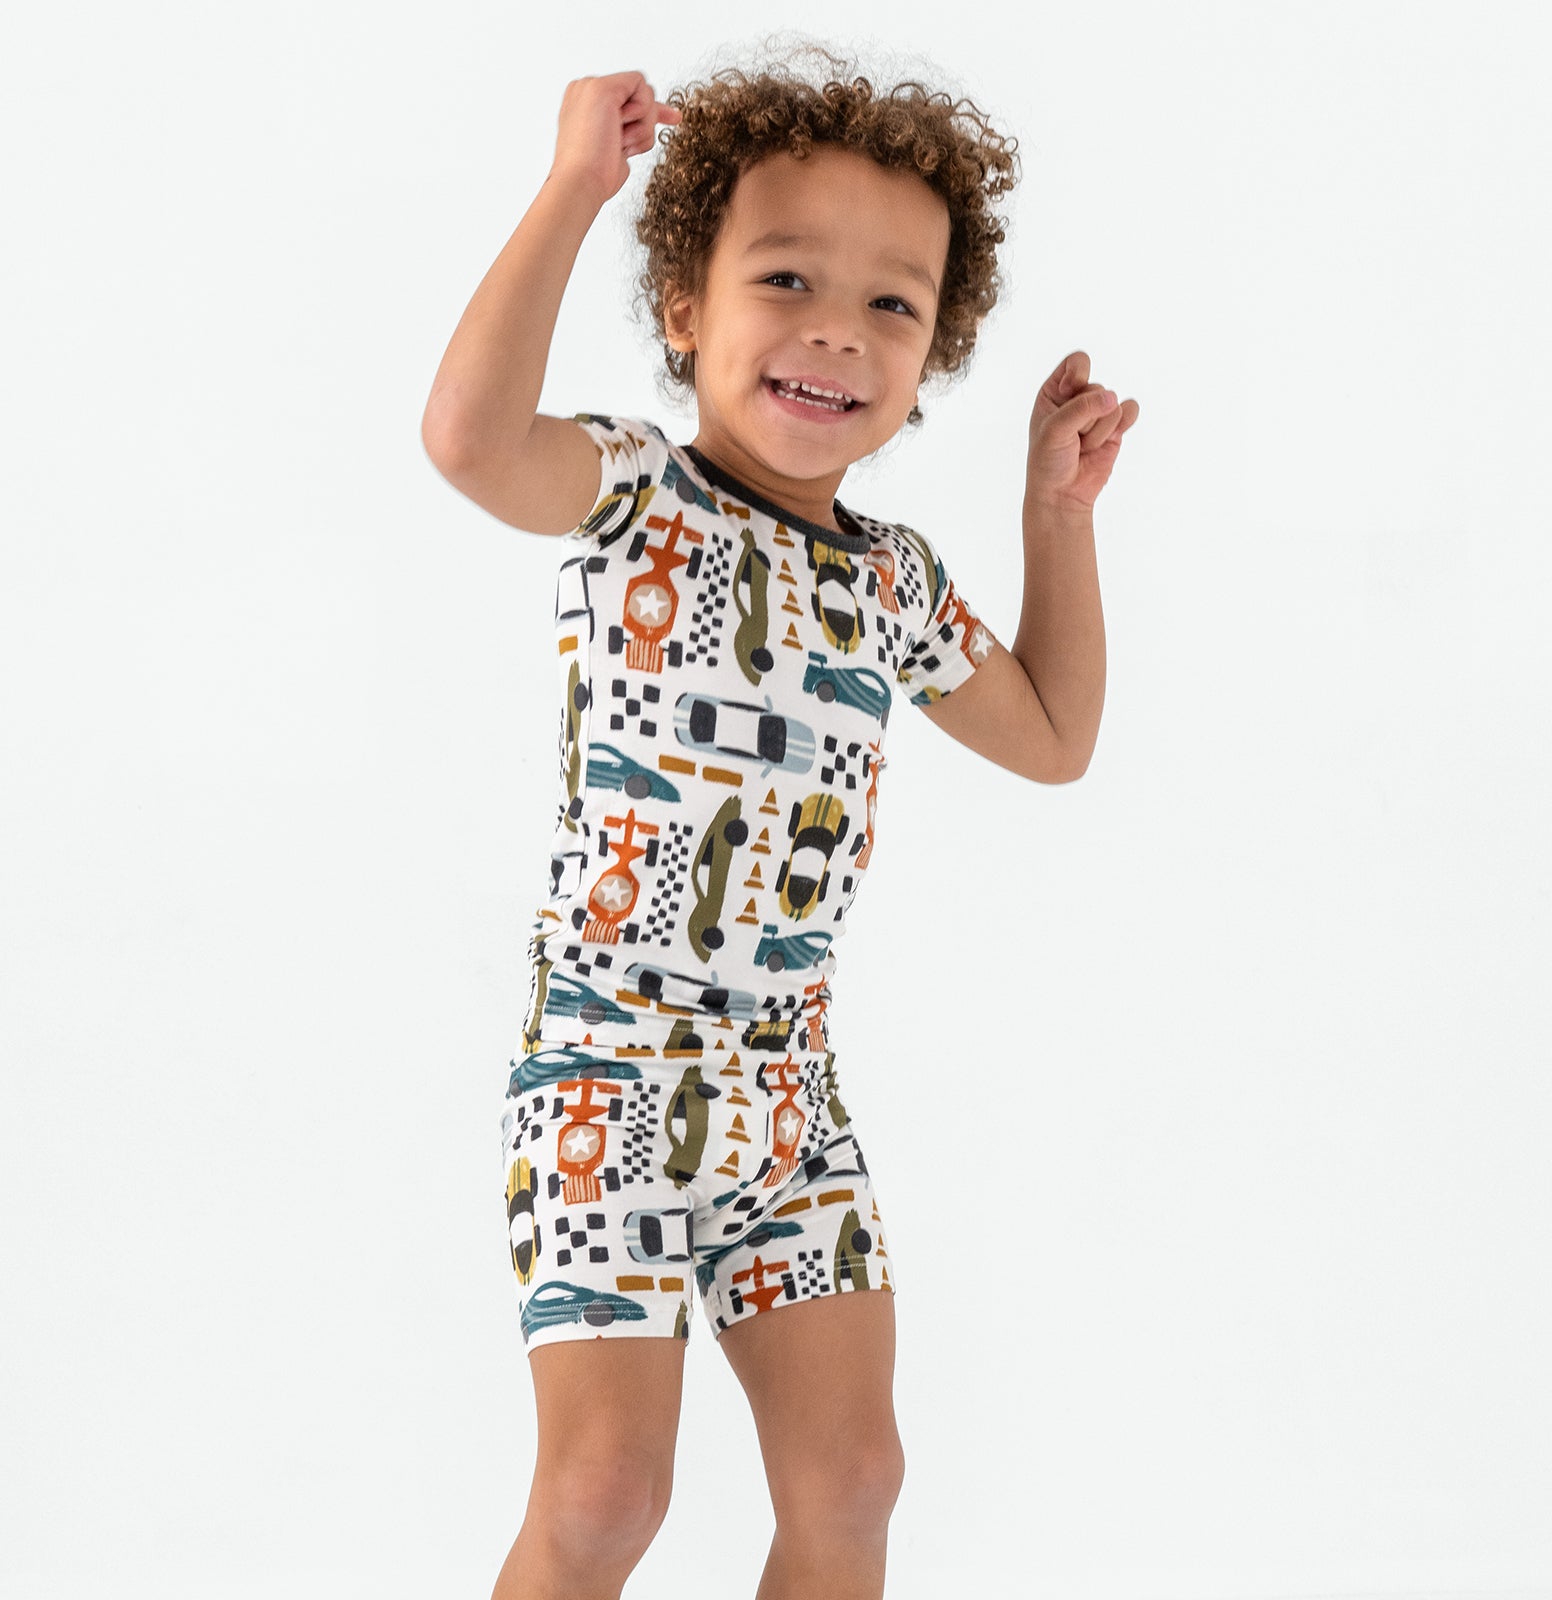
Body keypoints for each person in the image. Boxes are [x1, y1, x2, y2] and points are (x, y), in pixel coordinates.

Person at [422, 43, 1138, 1600]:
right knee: (604, 1496)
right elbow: (470, 440)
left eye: (893, 304)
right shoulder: (634, 494)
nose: (836, 328)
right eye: (786, 278)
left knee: (855, 1481)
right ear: (685, 305)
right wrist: (574, 187)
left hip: (787, 1095)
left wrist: (1054, 517)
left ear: (931, 355)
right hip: (608, 1074)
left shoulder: (892, 580)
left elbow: (1054, 738)